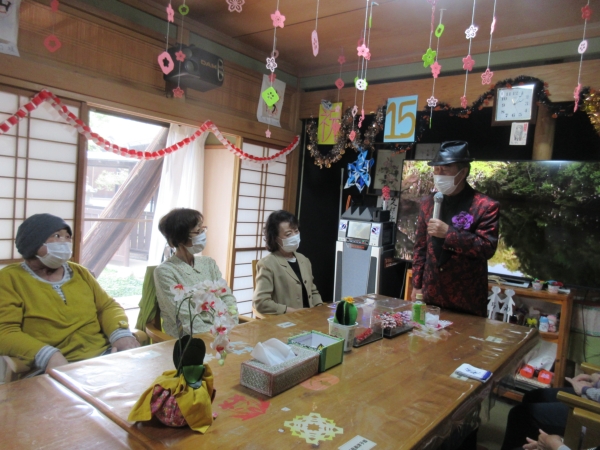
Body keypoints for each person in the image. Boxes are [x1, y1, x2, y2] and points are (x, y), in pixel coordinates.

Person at [0, 214, 139, 375]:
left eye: (68, 237)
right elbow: (5, 331)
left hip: (104, 356)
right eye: (57, 236)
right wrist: (48, 355)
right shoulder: (10, 279)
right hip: (50, 367)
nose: (65, 242)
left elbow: (107, 306)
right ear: (33, 242)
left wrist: (120, 333)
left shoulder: (80, 272)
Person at [411, 140, 500, 317]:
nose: (439, 174)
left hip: (466, 298)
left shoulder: (485, 205)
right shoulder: (428, 202)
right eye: (436, 169)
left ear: (463, 172)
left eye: (445, 169)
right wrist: (416, 284)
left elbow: (487, 247)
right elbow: (420, 247)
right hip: (430, 293)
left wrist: (449, 234)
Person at [154, 208, 238, 337]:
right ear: (180, 238)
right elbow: (184, 316)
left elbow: (226, 296)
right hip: (190, 339)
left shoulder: (208, 263)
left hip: (222, 331)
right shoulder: (165, 272)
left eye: (202, 230)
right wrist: (215, 336)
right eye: (198, 231)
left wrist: (232, 324)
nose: (202, 235)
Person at [501, 373, 600, 450]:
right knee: (533, 396)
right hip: (593, 393)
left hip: (592, 410)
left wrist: (555, 445)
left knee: (519, 414)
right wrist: (597, 379)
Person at [253, 210, 323, 315]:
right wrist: (292, 312)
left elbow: (313, 292)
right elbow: (261, 303)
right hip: (286, 320)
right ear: (275, 238)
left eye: (296, 231)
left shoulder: (304, 260)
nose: (294, 236)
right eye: (288, 234)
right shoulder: (267, 264)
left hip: (310, 317)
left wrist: (320, 309)